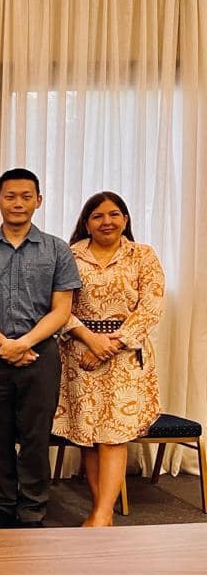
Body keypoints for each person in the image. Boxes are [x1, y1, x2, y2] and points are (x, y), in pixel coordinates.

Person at [0, 167, 81, 529]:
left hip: (40, 355)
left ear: (38, 201)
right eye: (10, 196)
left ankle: (32, 510)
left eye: (26, 196)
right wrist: (3, 344)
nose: (18, 203)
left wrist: (25, 343)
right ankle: (2, 505)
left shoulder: (57, 250)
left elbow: (62, 309)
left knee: (35, 436)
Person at [53, 191, 164, 527]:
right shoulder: (69, 255)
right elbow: (58, 306)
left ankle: (101, 514)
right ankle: (101, 509)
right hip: (80, 355)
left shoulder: (143, 255)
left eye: (114, 214)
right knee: (89, 435)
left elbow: (151, 307)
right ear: (86, 222)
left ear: (125, 219)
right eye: (98, 216)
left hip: (125, 358)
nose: (107, 222)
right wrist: (90, 341)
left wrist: (111, 344)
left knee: (113, 435)